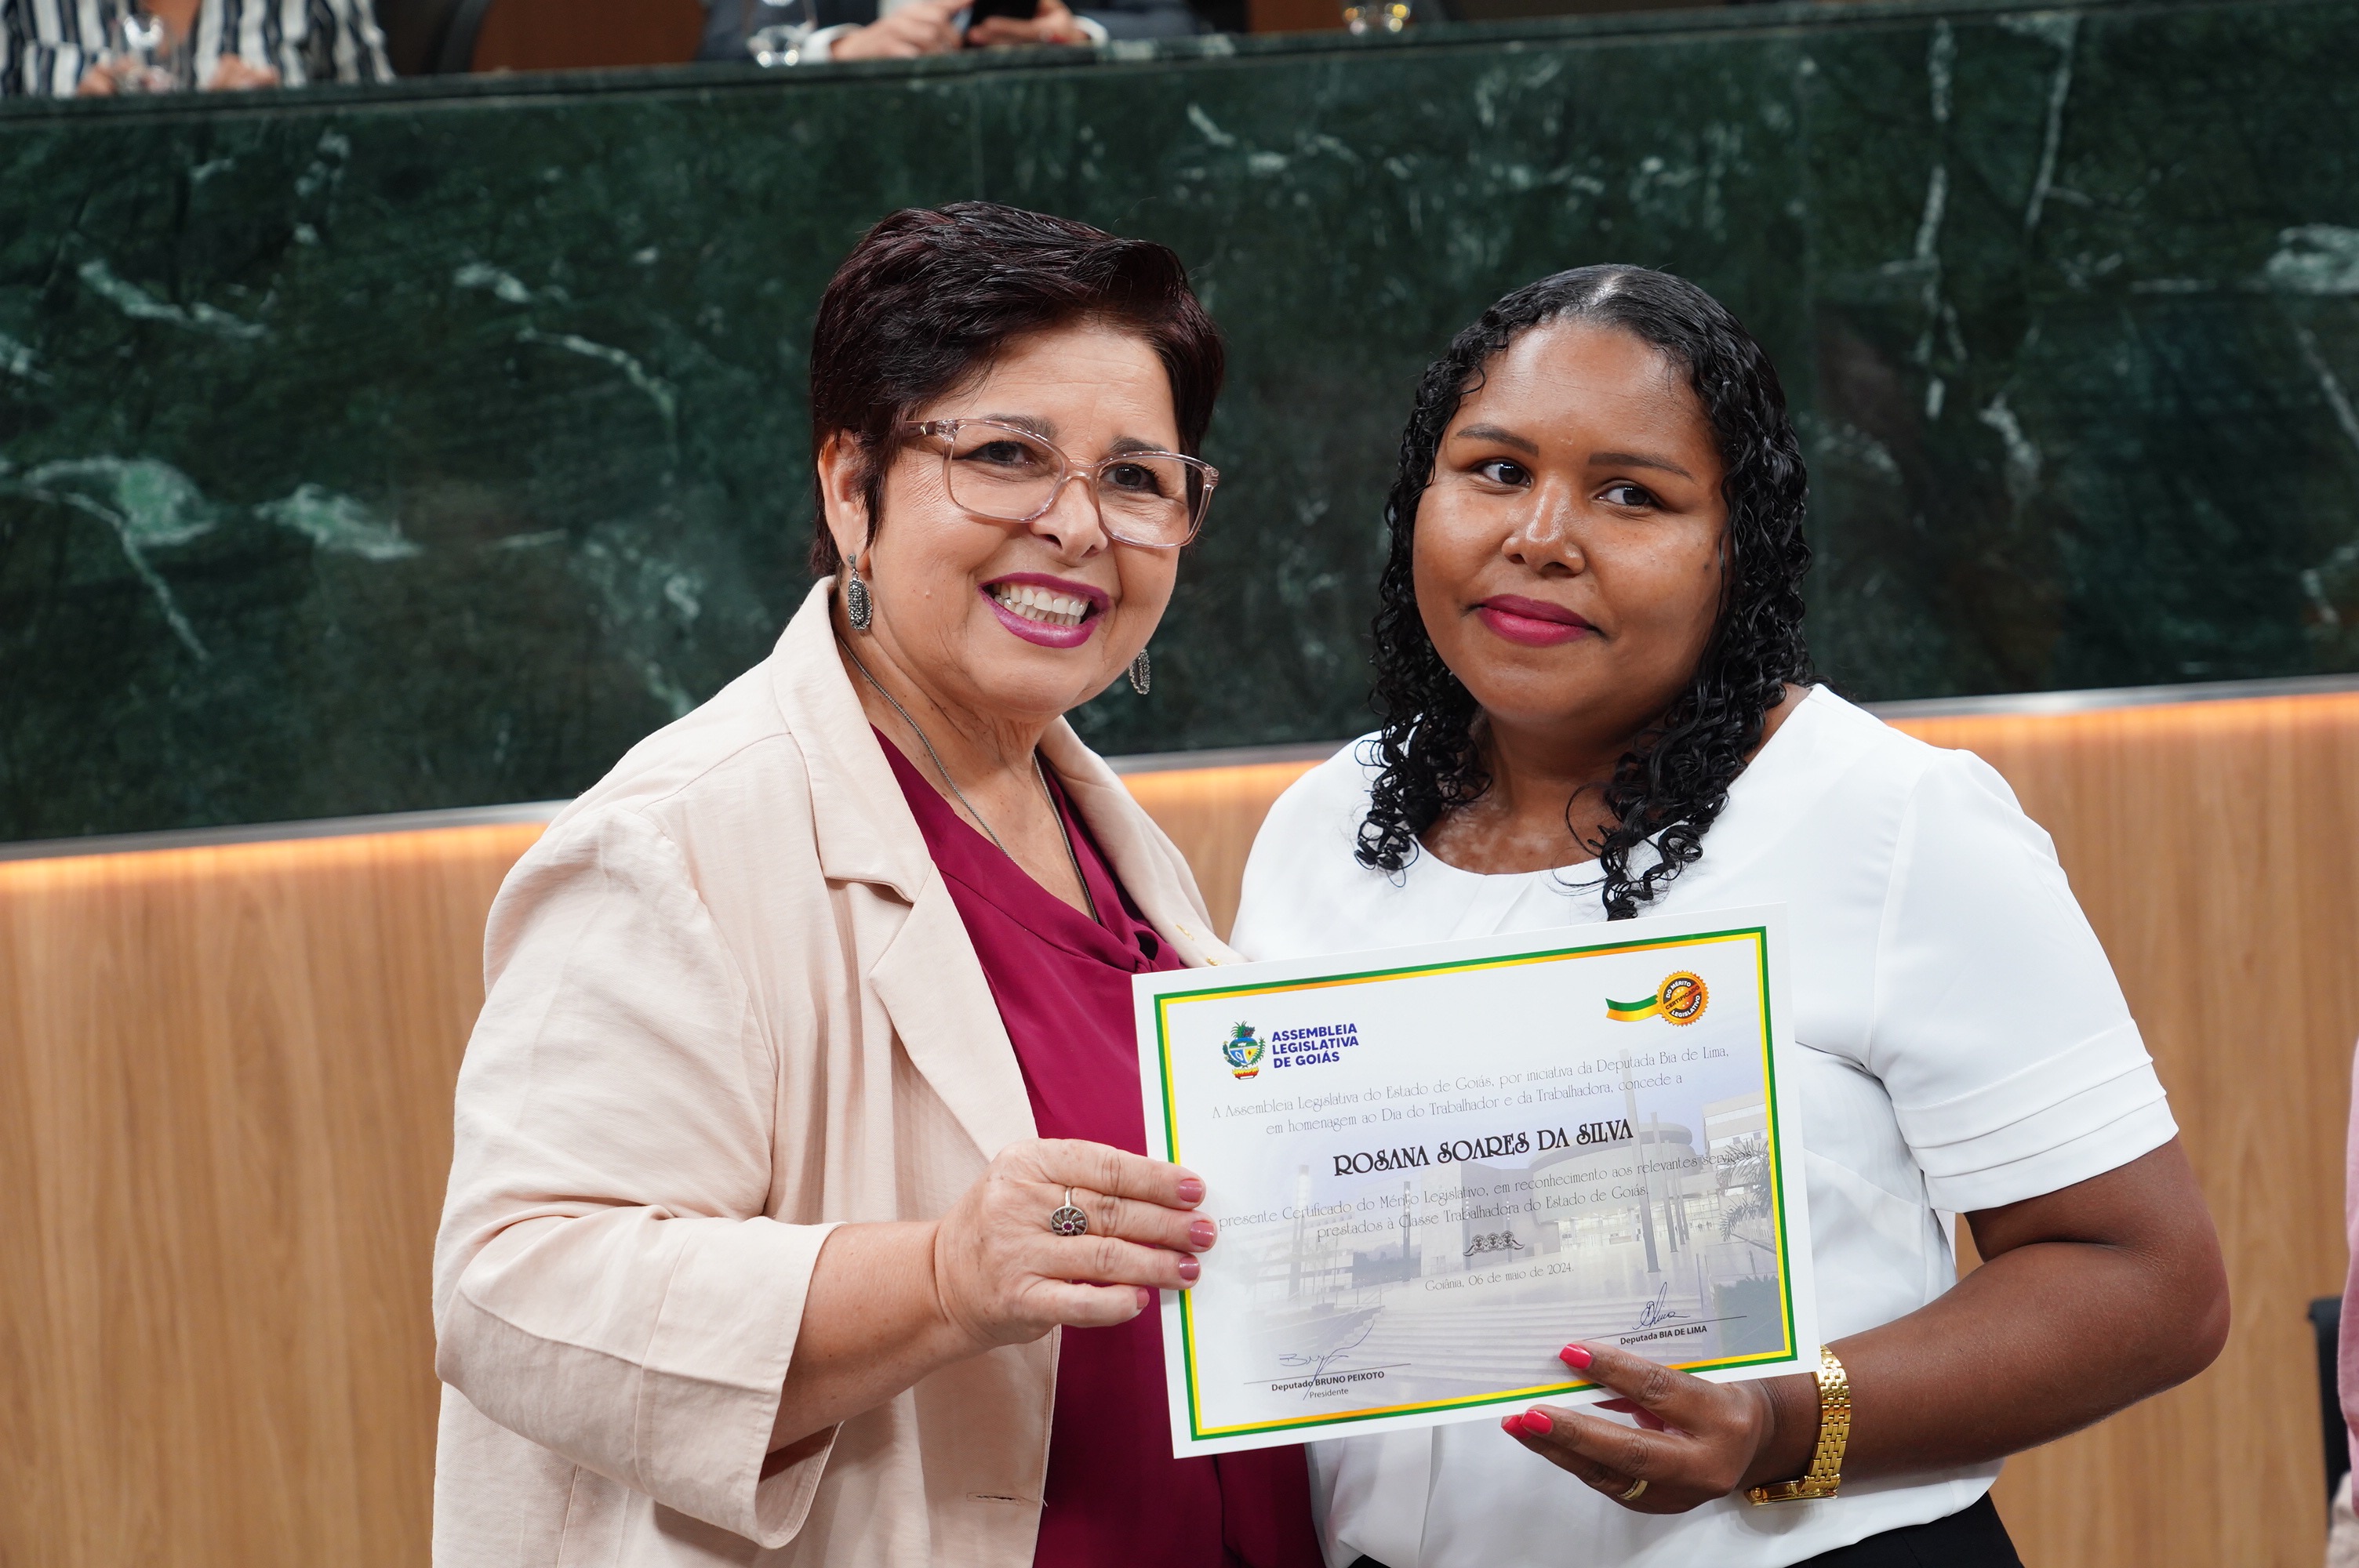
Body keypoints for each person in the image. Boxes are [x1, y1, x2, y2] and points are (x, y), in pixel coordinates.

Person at [1229, 264, 2231, 1568]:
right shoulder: (1321, 822)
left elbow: (2147, 1281)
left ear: (1735, 550)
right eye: (1494, 471)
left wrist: (1775, 1426)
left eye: (1631, 495)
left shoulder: (1891, 817)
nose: (1542, 535)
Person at [431, 202, 1322, 1567]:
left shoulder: (1103, 832)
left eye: (1137, 479)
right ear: (852, 487)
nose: (1078, 526)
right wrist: (942, 1277)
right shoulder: (674, 839)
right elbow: (514, 1289)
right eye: (1007, 456)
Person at [1, 0, 389, 95]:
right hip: (64, 264)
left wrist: (272, 140)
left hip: (267, 257)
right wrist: (62, 144)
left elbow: (388, 152)